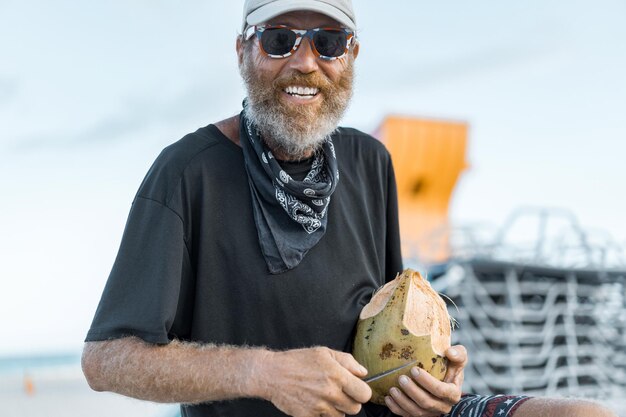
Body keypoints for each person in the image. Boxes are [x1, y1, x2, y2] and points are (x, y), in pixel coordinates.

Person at [81, 1, 617, 417]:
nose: (305, 61)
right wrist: (265, 374)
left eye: (328, 42)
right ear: (243, 51)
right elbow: (106, 359)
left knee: (584, 413)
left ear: (351, 56)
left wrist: (427, 380)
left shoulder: (371, 161)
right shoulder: (185, 172)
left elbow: (384, 324)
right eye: (279, 39)